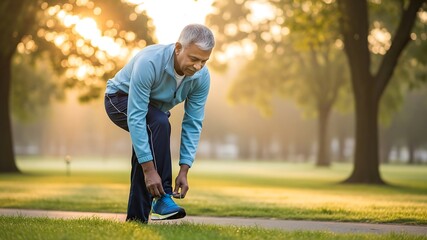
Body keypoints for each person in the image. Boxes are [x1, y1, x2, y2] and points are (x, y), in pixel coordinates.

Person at [104, 24, 215, 223]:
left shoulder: (201, 78)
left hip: (153, 113)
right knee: (159, 124)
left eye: (204, 61)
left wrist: (184, 168)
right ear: (178, 48)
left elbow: (193, 123)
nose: (198, 67)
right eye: (194, 59)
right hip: (119, 98)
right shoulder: (150, 61)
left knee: (150, 145)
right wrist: (150, 170)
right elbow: (137, 116)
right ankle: (162, 198)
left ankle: (136, 221)